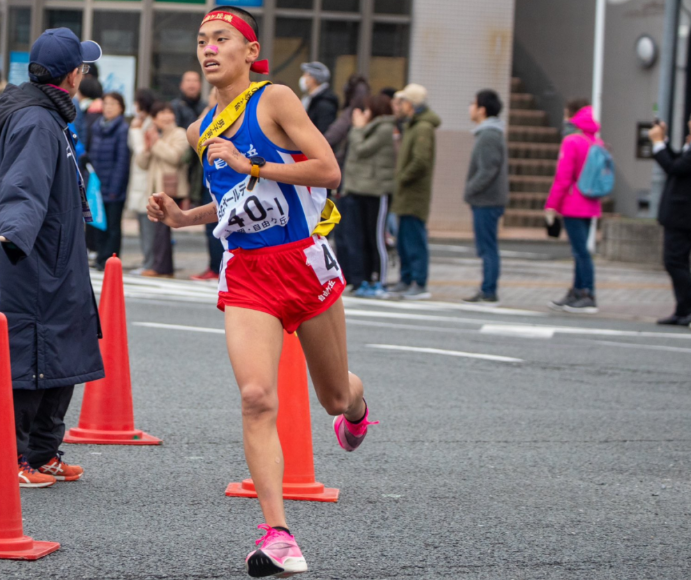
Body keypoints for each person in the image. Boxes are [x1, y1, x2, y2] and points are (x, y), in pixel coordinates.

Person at [147, 7, 376, 577]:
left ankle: (357, 404)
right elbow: (231, 205)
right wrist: (183, 218)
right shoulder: (202, 131)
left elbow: (327, 171)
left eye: (222, 39)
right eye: (202, 40)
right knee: (256, 396)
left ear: (249, 51)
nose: (208, 49)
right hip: (247, 274)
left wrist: (252, 161)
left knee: (334, 398)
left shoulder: (273, 101)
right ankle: (278, 534)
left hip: (303, 264)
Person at [0, 28, 104, 488]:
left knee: (63, 352)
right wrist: (12, 237)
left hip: (56, 258)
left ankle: (43, 452)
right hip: (34, 259)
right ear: (73, 74)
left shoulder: (47, 114)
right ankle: (16, 457)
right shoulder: (37, 121)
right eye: (82, 65)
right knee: (31, 356)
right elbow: (23, 186)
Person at [545, 99, 602, 314]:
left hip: (573, 204)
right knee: (581, 250)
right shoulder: (596, 142)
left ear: (572, 116)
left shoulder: (572, 141)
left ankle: (587, 293)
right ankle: (577, 292)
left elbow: (563, 178)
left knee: (580, 251)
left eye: (565, 114)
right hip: (591, 202)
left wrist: (551, 205)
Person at [388, 83, 441, 300]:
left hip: (414, 193)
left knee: (414, 238)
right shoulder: (413, 125)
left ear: (411, 104)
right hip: (407, 193)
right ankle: (406, 278)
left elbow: (421, 161)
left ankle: (419, 281)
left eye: (403, 101)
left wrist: (401, 178)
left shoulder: (422, 127)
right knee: (404, 239)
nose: (400, 105)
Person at [343, 94, 396, 297]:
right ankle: (365, 279)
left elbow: (361, 149)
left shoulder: (384, 129)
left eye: (366, 109)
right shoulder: (371, 128)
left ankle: (380, 281)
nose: (363, 114)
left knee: (376, 237)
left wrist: (357, 127)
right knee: (362, 237)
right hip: (360, 188)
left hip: (377, 190)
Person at [463, 89, 509, 306]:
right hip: (487, 199)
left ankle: (489, 290)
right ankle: (487, 288)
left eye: (473, 103)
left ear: (482, 109)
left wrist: (470, 189)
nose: (470, 108)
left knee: (487, 247)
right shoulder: (489, 132)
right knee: (486, 246)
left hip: (487, 200)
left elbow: (488, 169)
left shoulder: (489, 134)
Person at [323, 74, 370, 288]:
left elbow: (331, 137)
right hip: (355, 181)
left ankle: (353, 277)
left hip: (349, 180)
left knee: (348, 231)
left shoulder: (354, 115)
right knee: (354, 232)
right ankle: (355, 276)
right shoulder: (368, 115)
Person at [138, 102, 189, 278]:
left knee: (162, 229)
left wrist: (156, 142)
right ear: (155, 119)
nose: (166, 116)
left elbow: (174, 157)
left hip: (171, 189)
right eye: (161, 114)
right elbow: (142, 164)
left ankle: (161, 268)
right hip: (156, 188)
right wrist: (146, 148)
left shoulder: (179, 133)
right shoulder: (156, 136)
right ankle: (163, 267)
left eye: (169, 113)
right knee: (160, 229)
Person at [649, 118, 691, 327]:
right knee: (678, 262)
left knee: (675, 261)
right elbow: (678, 161)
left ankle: (686, 309)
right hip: (681, 216)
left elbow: (675, 167)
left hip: (682, 217)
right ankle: (683, 310)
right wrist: (663, 140)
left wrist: (657, 144)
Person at [88, 91, 131, 270]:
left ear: (121, 108)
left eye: (113, 104)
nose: (109, 107)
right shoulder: (97, 126)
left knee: (113, 226)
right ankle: (100, 257)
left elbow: (122, 161)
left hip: (114, 185)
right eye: (106, 103)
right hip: (97, 185)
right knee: (98, 223)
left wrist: (115, 187)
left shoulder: (122, 129)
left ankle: (111, 260)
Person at [191, 88, 225, 281]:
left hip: (221, 182)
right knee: (212, 227)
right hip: (209, 179)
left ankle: (216, 267)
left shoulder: (222, 120)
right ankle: (214, 266)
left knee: (217, 227)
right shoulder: (208, 120)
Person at [126, 89, 157, 275]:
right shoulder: (143, 123)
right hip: (140, 181)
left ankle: (149, 263)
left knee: (148, 225)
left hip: (145, 181)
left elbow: (142, 155)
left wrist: (136, 132)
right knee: (144, 224)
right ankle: (148, 261)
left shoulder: (146, 125)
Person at [299, 61, 339, 134]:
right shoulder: (309, 99)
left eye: (306, 75)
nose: (303, 78)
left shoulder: (325, 103)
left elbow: (324, 133)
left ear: (313, 79)